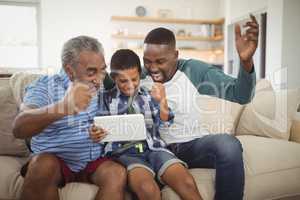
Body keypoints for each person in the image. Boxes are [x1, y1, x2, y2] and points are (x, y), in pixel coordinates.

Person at [141, 15, 259, 200]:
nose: (152, 68)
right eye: (147, 61)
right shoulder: (138, 75)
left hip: (191, 145)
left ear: (175, 55)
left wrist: (245, 62)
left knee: (228, 144)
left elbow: (240, 95)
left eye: (160, 62)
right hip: (155, 149)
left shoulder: (193, 71)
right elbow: (108, 85)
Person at [12, 36, 127, 200]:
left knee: (116, 173)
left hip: (92, 160)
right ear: (69, 70)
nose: (99, 78)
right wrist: (63, 107)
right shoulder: (45, 86)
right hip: (55, 161)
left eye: (102, 69)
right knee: (42, 165)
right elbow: (19, 127)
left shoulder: (105, 86)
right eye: (91, 71)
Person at [89, 49, 202, 200]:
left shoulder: (148, 96)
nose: (130, 85)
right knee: (147, 189)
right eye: (123, 81)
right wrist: (95, 132)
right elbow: (96, 126)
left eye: (134, 79)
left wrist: (162, 100)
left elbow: (165, 121)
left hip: (156, 149)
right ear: (114, 78)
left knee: (186, 182)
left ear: (139, 75)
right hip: (126, 154)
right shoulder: (105, 99)